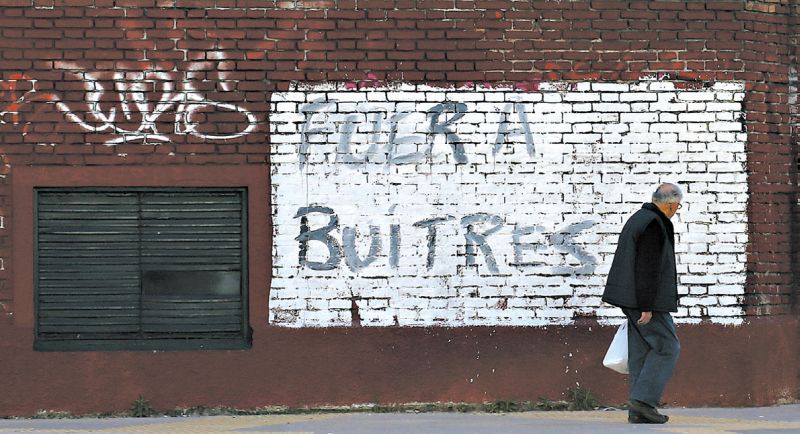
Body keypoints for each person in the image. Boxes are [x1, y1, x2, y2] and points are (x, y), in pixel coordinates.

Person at [602, 183, 683, 424]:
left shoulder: (639, 218)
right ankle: (644, 402)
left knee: (640, 352)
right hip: (646, 301)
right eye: (678, 206)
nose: (677, 210)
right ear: (671, 205)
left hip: (631, 298)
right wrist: (647, 305)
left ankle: (638, 411)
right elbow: (648, 267)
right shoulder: (654, 224)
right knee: (668, 347)